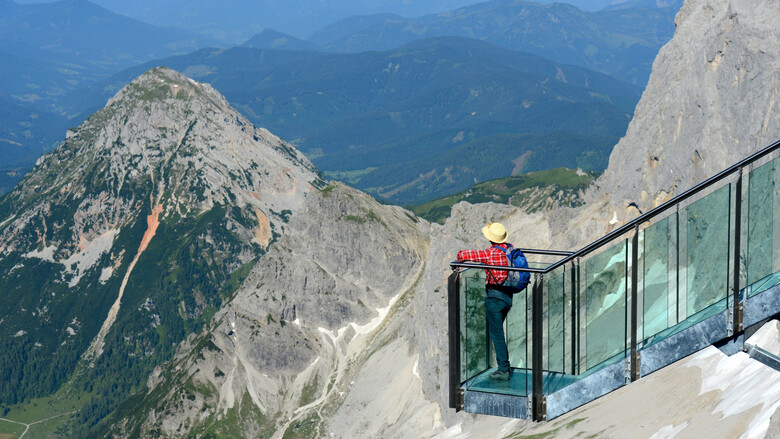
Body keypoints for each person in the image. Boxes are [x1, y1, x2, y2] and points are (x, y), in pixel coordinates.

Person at [457, 221, 515, 381]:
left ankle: (503, 369)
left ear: (491, 239)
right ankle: (502, 366)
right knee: (497, 330)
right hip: (508, 295)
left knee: (496, 333)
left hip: (495, 297)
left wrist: (459, 257)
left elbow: (465, 255)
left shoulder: (491, 253)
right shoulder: (510, 249)